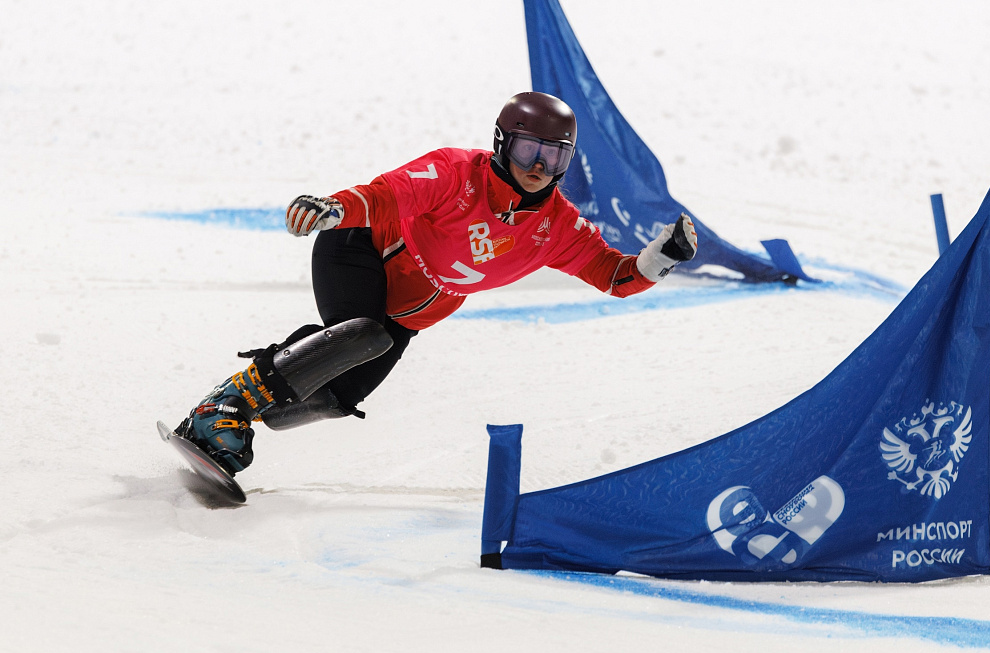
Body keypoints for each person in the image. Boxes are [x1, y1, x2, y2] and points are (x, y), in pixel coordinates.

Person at [174, 92, 698, 475]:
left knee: (325, 400)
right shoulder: (455, 173)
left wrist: (662, 257)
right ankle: (219, 411)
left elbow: (615, 276)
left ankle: (237, 422)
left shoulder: (556, 226)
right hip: (360, 250)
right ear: (501, 144)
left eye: (554, 155)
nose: (539, 166)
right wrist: (335, 208)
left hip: (409, 315)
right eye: (527, 151)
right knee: (361, 334)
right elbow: (385, 196)